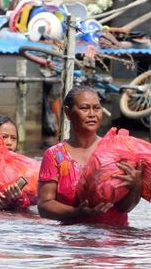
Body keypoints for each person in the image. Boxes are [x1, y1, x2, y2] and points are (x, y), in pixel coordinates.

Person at [37, 85, 144, 226]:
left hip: (114, 239)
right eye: (84, 108)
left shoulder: (117, 150)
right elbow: (44, 206)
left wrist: (136, 186)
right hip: (72, 240)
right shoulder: (55, 155)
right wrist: (77, 212)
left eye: (97, 108)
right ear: (68, 113)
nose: (92, 114)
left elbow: (125, 208)